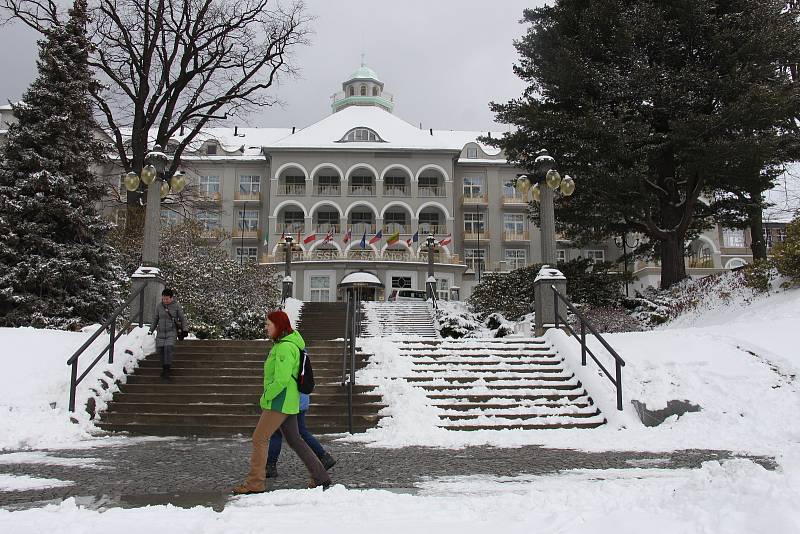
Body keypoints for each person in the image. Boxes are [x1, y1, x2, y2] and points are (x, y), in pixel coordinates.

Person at [233, 310, 332, 494]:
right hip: (288, 399)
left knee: (259, 438)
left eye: (268, 324)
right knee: (295, 440)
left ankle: (255, 483)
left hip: (280, 400)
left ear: (278, 326)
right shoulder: (286, 344)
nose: (265, 328)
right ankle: (320, 477)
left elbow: (281, 379)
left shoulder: (284, 347)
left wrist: (266, 396)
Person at [266, 392, 337, 478]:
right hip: (300, 401)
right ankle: (323, 456)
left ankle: (270, 466)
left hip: (288, 402)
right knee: (301, 431)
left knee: (276, 433)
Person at [148, 288, 187, 381]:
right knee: (160, 350)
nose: (165, 300)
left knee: (168, 347)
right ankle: (163, 367)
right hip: (161, 331)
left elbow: (182, 318)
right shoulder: (159, 306)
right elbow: (155, 319)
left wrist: (185, 329)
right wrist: (151, 330)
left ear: (171, 298)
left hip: (171, 331)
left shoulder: (176, 306)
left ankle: (167, 369)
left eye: (167, 299)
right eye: (163, 298)